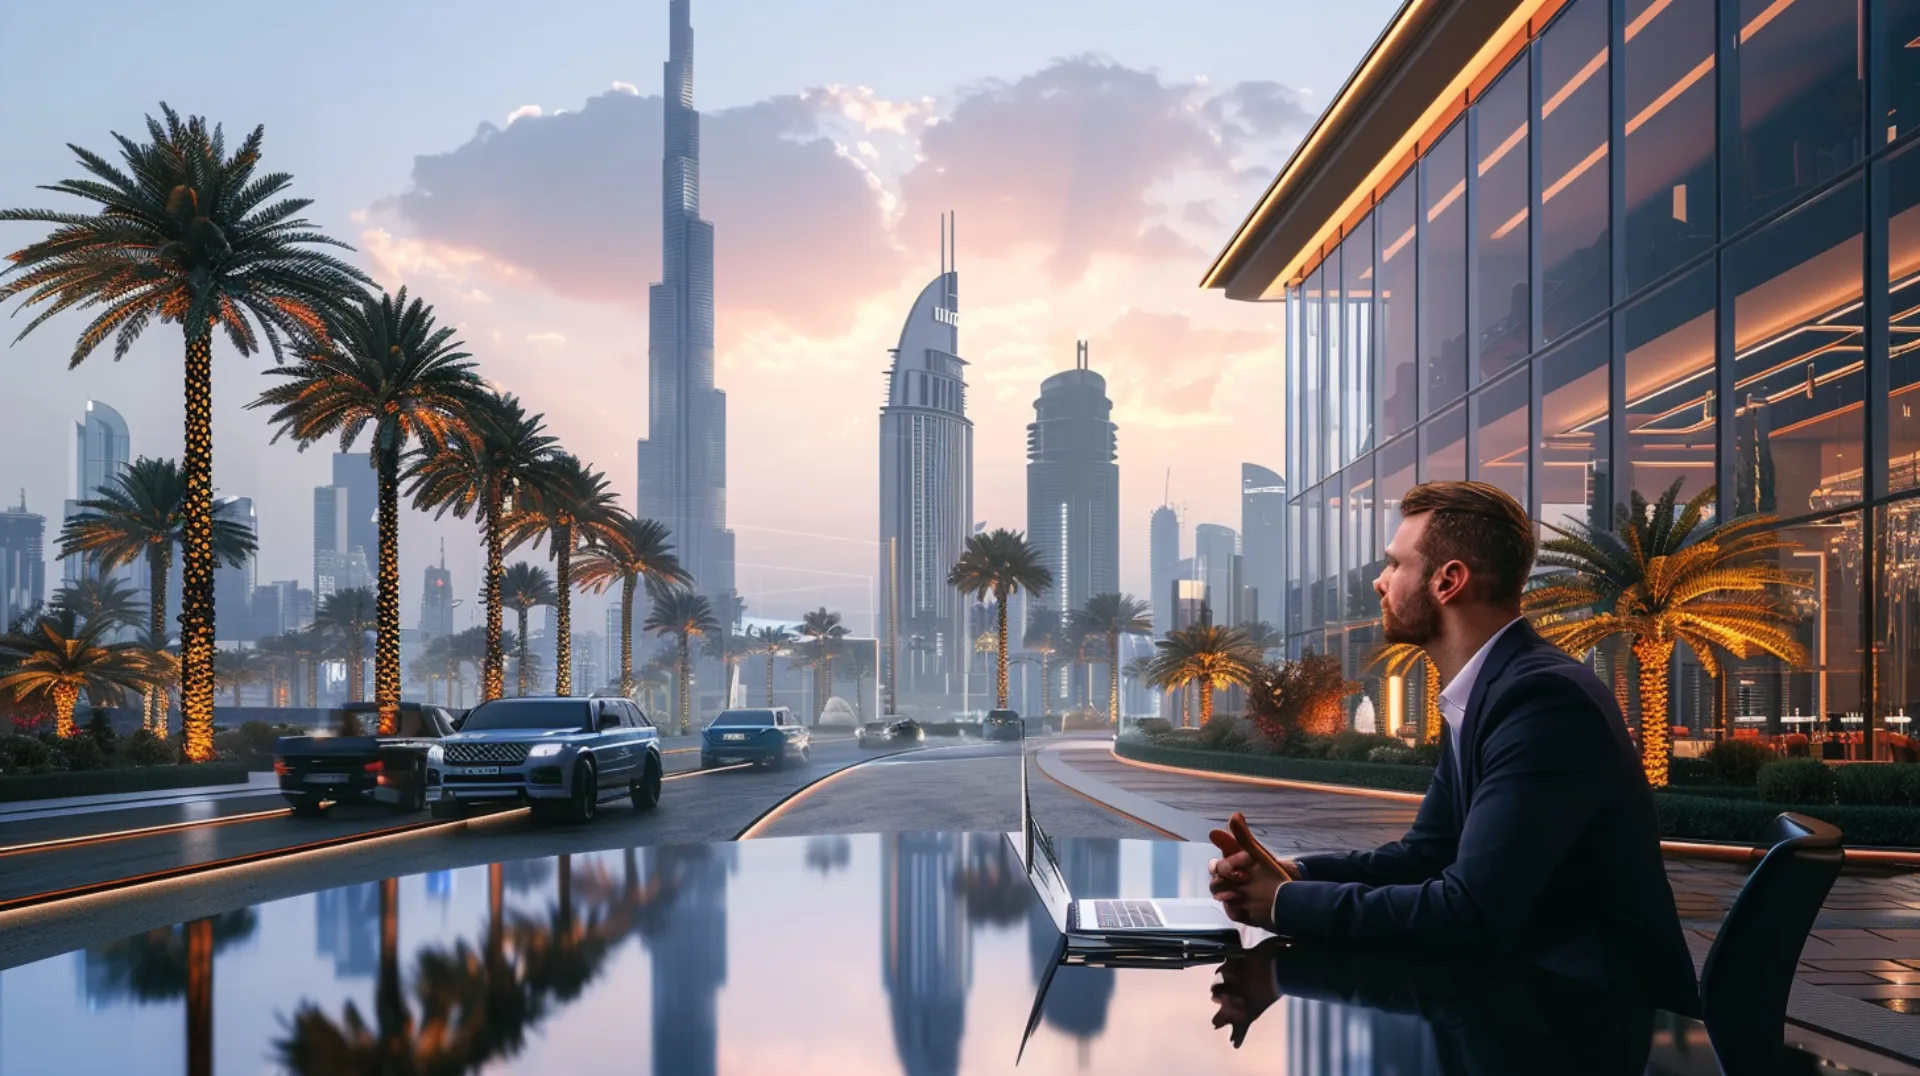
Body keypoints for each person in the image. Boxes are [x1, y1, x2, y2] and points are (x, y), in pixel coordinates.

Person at [1207, 481, 1698, 1011]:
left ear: (1448, 581)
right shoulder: (1491, 690)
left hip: (1599, 1022)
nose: (1379, 581)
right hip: (1526, 998)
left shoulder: (1543, 701)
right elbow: (1427, 856)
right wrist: (1293, 873)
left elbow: (1470, 913)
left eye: (1396, 565)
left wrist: (1282, 904)